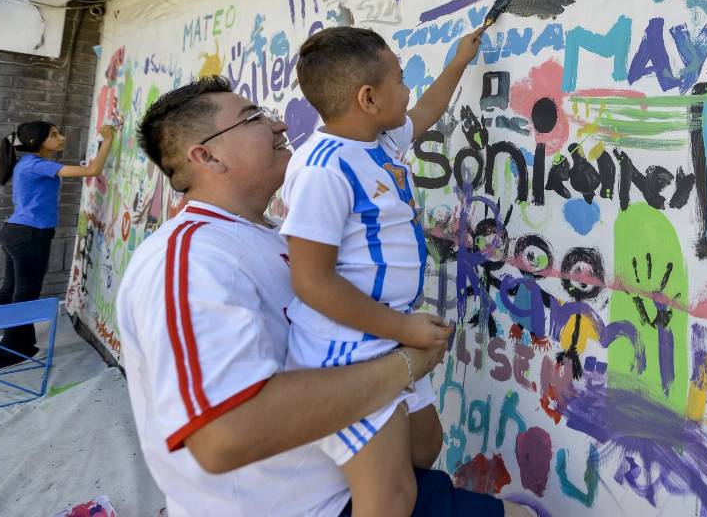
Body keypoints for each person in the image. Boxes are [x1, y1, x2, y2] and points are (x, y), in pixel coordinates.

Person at [119, 76, 522, 516]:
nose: (278, 125)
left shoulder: (276, 239)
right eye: (252, 118)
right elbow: (224, 434)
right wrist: (406, 363)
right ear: (207, 155)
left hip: (354, 487)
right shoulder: (189, 258)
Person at [279, 25, 483, 516]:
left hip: (387, 337)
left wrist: (457, 63)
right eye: (399, 77)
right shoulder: (324, 169)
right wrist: (405, 329)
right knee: (393, 499)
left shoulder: (382, 141)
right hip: (347, 353)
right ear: (368, 98)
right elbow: (310, 280)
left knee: (423, 446)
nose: (407, 85)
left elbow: (425, 113)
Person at [0, 120, 116, 368]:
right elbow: (93, 171)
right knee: (24, 295)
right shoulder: (36, 165)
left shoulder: (29, 164)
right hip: (29, 236)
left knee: (9, 291)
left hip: (17, 232)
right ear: (36, 142)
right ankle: (11, 352)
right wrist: (108, 139)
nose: (61, 137)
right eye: (54, 135)